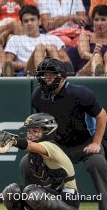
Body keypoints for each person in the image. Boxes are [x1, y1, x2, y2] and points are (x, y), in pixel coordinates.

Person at [21, 56, 107, 210]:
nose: (47, 78)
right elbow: (43, 126)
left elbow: (102, 115)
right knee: (26, 162)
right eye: (44, 74)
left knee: (97, 163)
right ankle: (33, 203)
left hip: (85, 144)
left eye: (51, 74)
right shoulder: (37, 95)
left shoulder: (81, 93)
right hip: (57, 146)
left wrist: (96, 143)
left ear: (62, 76)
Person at [0, 113, 80, 210]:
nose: (30, 135)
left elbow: (31, 145)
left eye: (35, 131)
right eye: (29, 131)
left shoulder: (52, 147)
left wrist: (13, 140)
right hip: (45, 197)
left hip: (67, 199)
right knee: (11, 192)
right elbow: (30, 190)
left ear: (47, 131)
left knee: (33, 194)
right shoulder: (27, 161)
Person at [0, 5, 70, 76]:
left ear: (39, 21)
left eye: (32, 20)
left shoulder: (53, 38)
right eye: (26, 21)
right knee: (40, 48)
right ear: (22, 24)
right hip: (27, 72)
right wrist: (27, 64)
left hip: (51, 71)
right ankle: (42, 75)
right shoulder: (15, 39)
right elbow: (8, 63)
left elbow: (66, 62)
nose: (29, 23)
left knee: (51, 48)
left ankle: (58, 74)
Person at [77, 5, 107, 77]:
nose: (99, 23)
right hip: (85, 71)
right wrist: (94, 55)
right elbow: (83, 54)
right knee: (96, 57)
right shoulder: (86, 36)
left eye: (103, 19)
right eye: (96, 20)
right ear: (92, 21)